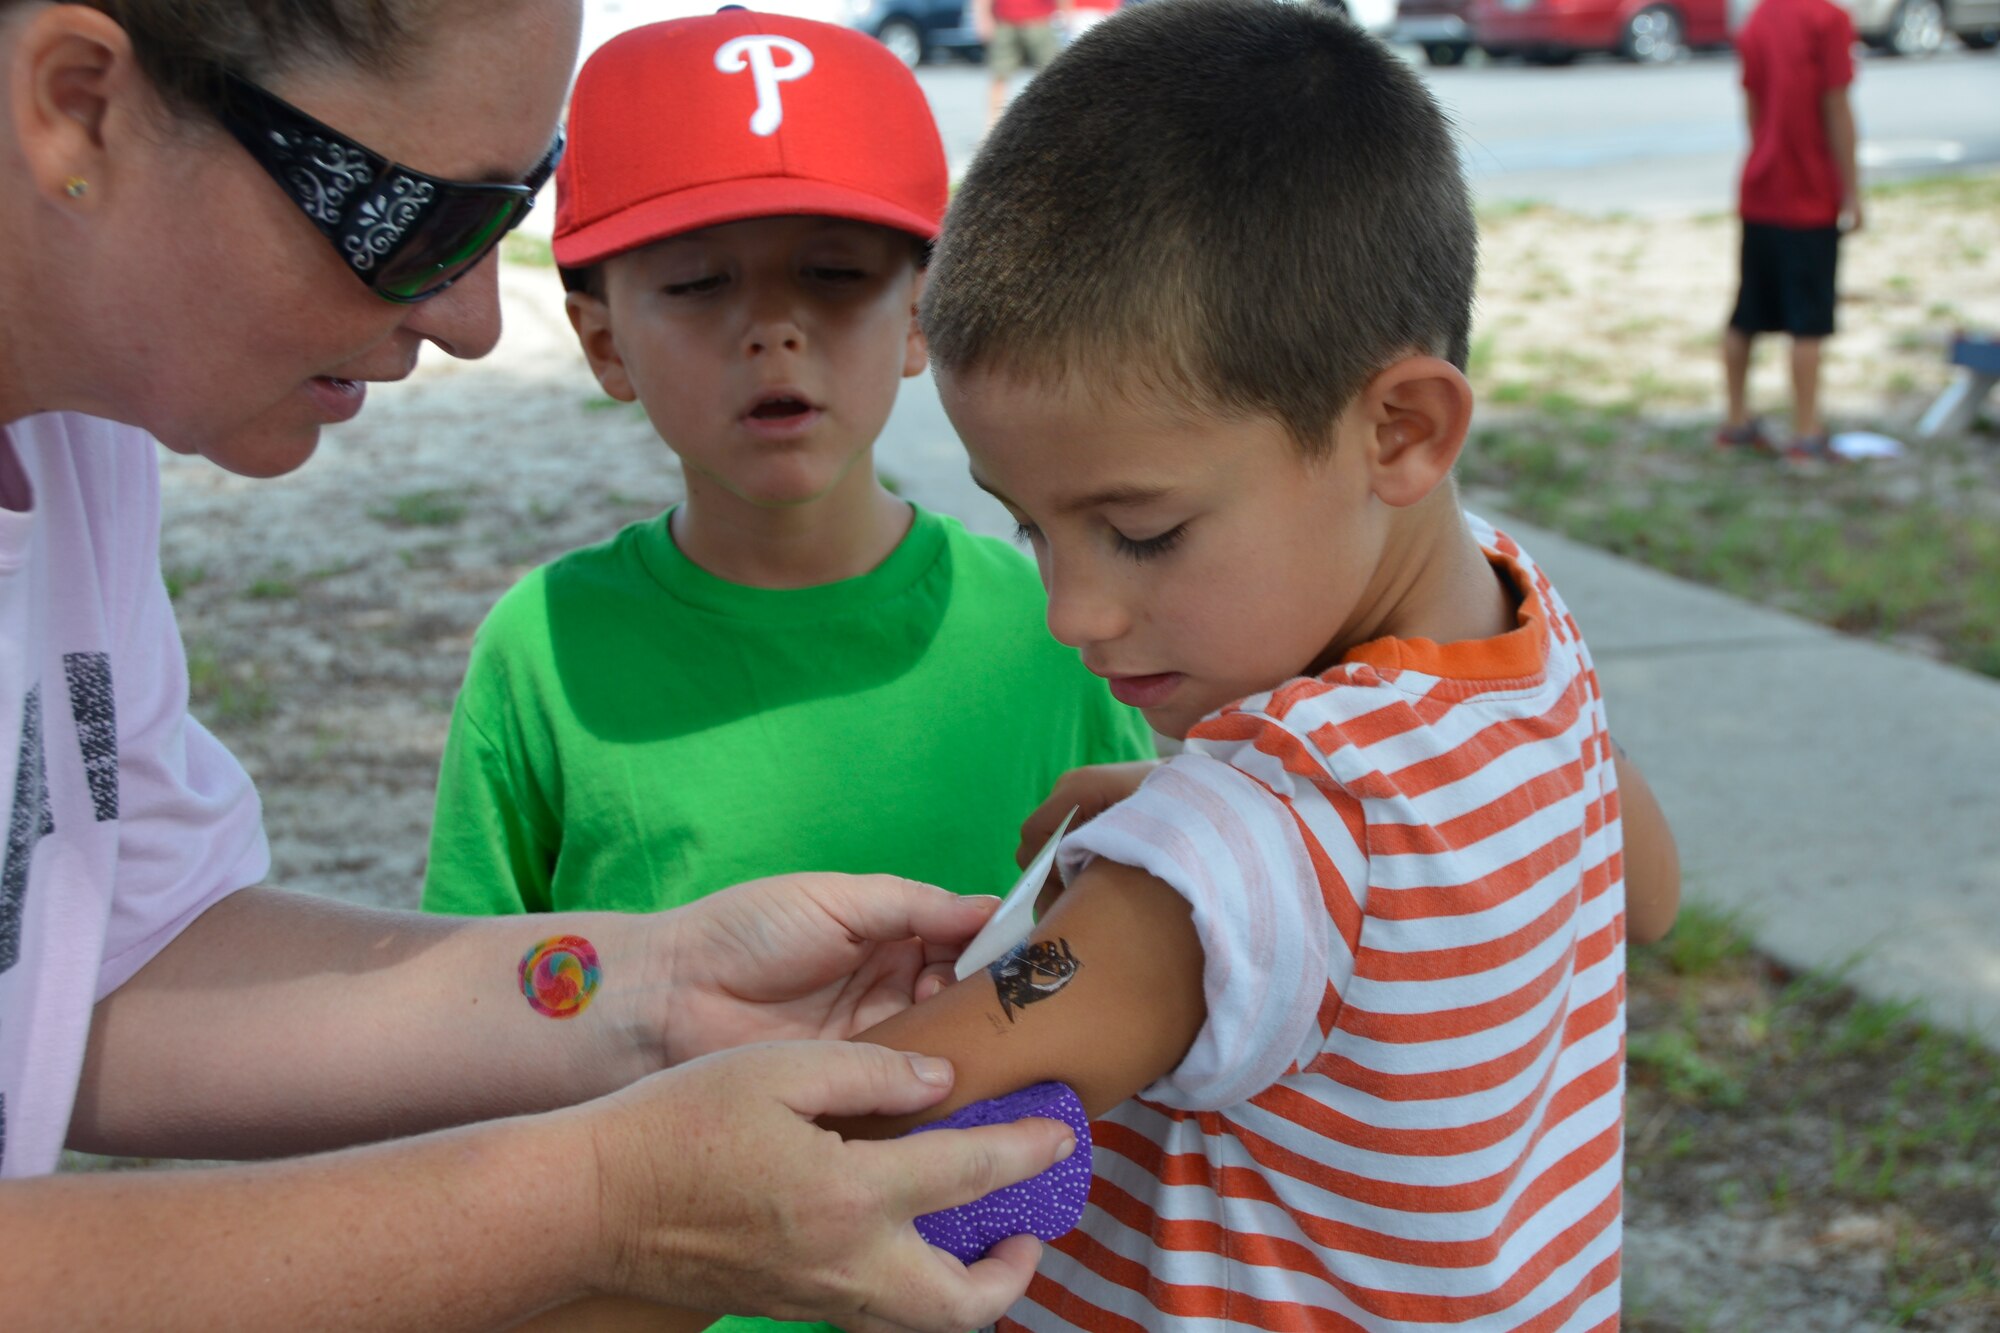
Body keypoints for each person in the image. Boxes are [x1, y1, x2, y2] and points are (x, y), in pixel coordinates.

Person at [0, 2, 1076, 1329]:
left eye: (501, 215)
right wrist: (601, 1205)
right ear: (77, 107)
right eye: (415, 219)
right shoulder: (542, 643)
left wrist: (655, 987)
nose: (470, 322)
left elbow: (121, 952)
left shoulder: (71, 449)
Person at [818, 1, 1684, 1327]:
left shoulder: (1257, 840)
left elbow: (865, 1126)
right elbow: (1641, 885)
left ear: (1401, 428)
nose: (1074, 611)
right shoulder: (1517, 615)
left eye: (1140, 531)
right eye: (1028, 524)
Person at [419, 16, 1154, 1329]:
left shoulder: (1058, 623)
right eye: (698, 284)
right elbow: (493, 997)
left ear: (923, 314)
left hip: (1001, 1292)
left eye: (834, 274)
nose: (774, 330)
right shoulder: (543, 651)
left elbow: (1136, 953)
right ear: (599, 338)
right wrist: (596, 983)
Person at [1716, 0, 1860, 459]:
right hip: (1810, 196)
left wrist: (1767, 155)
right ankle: (1806, 430)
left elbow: (1753, 106)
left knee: (1746, 312)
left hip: (1760, 189)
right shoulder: (1829, 20)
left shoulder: (1758, 19)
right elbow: (1836, 106)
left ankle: (1736, 421)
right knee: (1809, 322)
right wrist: (1852, 191)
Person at [970, 0, 1068, 131]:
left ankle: (1053, 124)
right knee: (999, 75)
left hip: (1040, 21)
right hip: (1006, 21)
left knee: (1052, 76)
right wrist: (982, 17)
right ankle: (992, 126)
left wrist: (1066, 14)